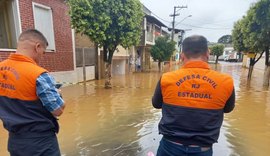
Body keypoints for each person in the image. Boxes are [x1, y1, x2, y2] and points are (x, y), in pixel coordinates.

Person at [152, 35, 235, 156]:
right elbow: (228, 109)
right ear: (208, 53)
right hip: (203, 150)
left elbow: (156, 104)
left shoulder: (166, 79)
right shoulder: (226, 81)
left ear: (182, 55)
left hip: (170, 148)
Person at [0, 29, 65, 156]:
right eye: (43, 52)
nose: (42, 56)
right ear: (37, 47)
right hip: (41, 144)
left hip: (15, 142)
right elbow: (58, 110)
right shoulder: (38, 74)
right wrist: (58, 94)